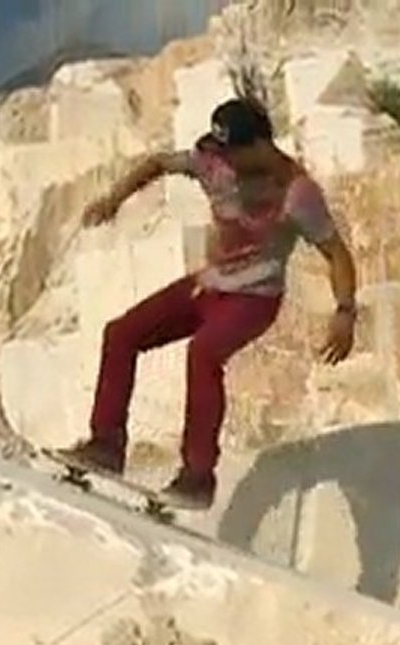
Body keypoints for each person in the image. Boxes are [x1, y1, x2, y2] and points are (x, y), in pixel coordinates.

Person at [51, 97, 358, 510]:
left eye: (234, 153)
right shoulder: (210, 161)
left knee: (203, 354)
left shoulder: (298, 193)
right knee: (121, 333)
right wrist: (113, 198)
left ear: (260, 144)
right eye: (221, 152)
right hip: (207, 287)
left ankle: (197, 477)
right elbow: (157, 163)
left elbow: (336, 253)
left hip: (253, 300)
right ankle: (106, 445)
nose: (225, 162)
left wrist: (345, 312)